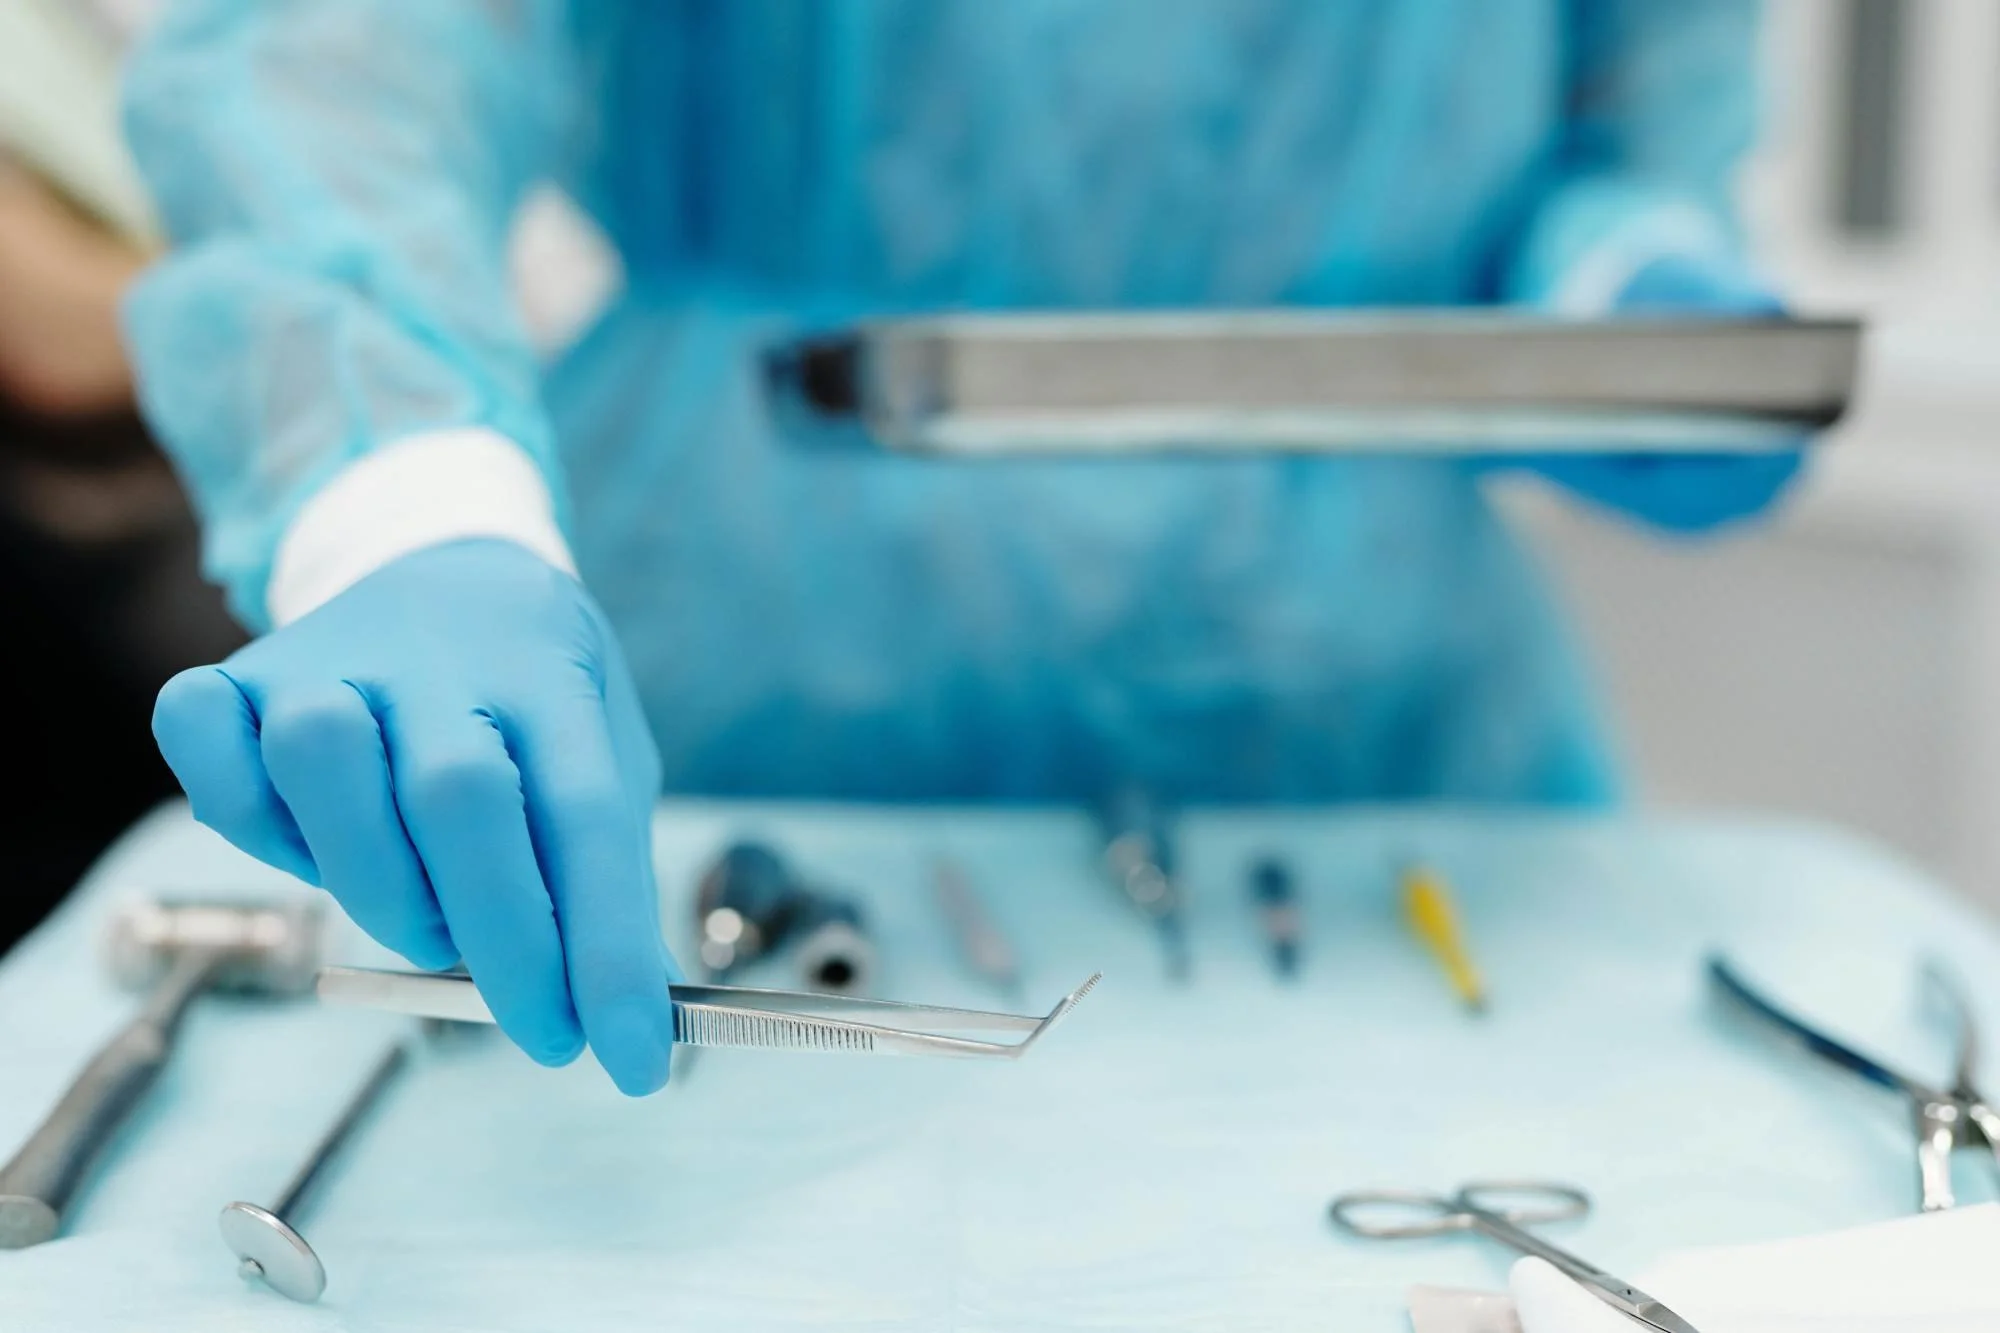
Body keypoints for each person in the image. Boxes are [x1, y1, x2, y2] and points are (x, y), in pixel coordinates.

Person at [123, 1, 1802, 1095]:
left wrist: (1626, 290)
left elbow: (1622, 119)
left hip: (1371, 682)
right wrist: (411, 508)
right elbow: (332, 66)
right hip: (758, 607)